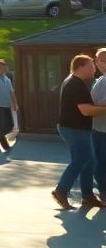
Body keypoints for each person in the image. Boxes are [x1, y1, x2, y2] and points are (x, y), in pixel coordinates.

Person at [53, 54, 106, 210]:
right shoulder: (76, 84)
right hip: (74, 129)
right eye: (91, 66)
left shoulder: (72, 81)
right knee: (82, 159)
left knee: (89, 161)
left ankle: (87, 196)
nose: (94, 69)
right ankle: (61, 190)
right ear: (80, 66)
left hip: (74, 128)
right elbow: (86, 110)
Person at [92, 49, 106, 199]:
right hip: (98, 128)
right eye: (99, 60)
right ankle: (103, 190)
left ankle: (103, 191)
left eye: (104, 60)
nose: (102, 63)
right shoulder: (100, 80)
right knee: (99, 162)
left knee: (101, 162)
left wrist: (94, 106)